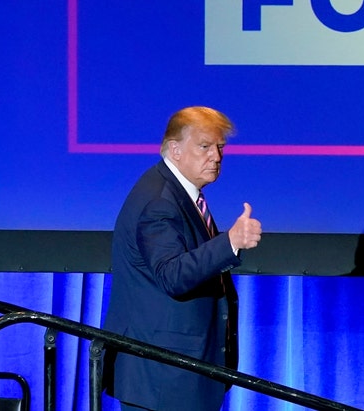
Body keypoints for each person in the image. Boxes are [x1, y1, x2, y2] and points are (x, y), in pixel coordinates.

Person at [103, 106, 262, 411]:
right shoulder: (159, 201)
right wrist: (229, 242)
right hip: (163, 377)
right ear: (175, 150)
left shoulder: (178, 191)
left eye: (220, 147)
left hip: (176, 376)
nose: (216, 156)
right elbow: (171, 275)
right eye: (205, 146)